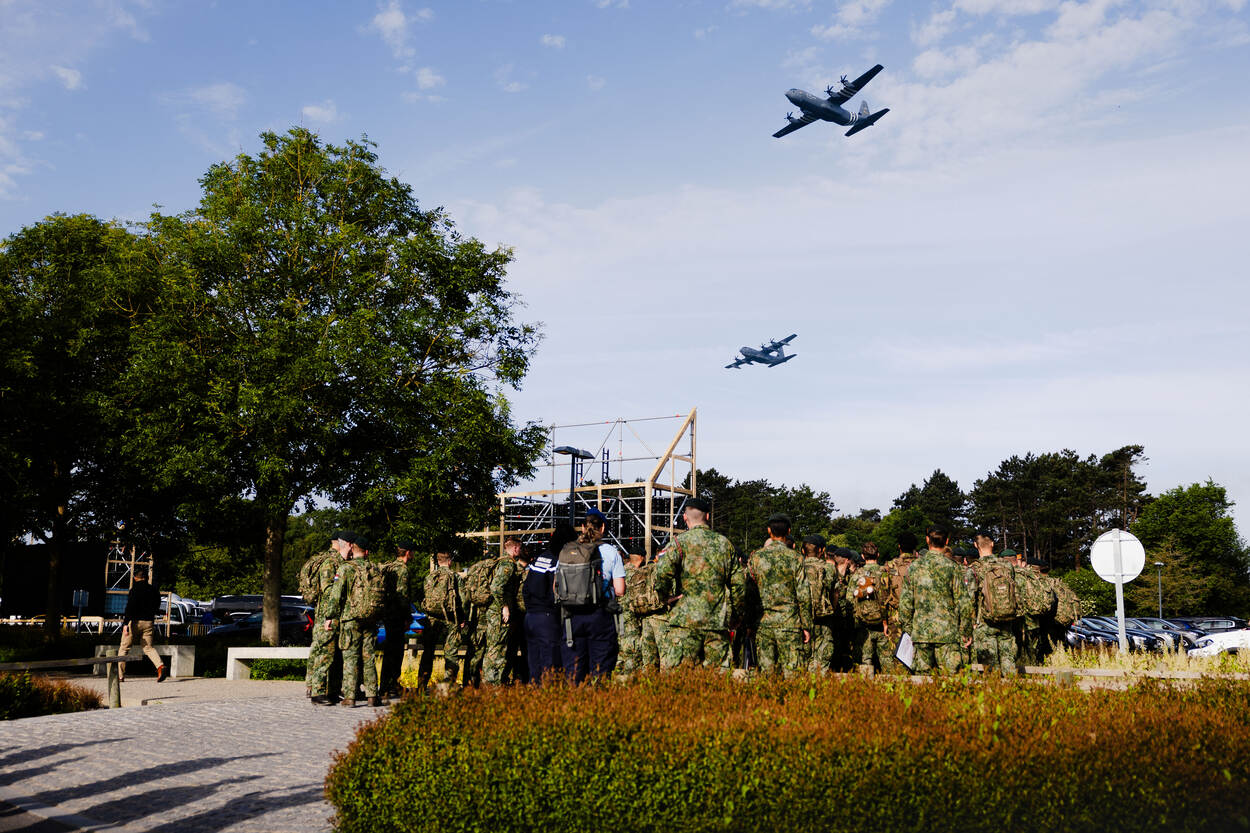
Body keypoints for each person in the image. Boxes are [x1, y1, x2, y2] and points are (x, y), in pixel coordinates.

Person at [653, 497, 746, 670]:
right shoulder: (724, 544)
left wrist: (665, 598)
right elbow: (739, 585)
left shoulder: (678, 543)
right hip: (716, 622)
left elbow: (662, 575)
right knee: (718, 680)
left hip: (684, 622)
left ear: (685, 518)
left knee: (681, 679)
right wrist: (736, 616)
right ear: (708, 517)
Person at [558, 509, 625, 683]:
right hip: (600, 616)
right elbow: (620, 590)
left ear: (582, 527)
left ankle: (574, 706)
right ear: (602, 528)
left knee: (574, 672)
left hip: (572, 617)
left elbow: (556, 587)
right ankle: (598, 705)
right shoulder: (611, 552)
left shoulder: (568, 550)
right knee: (600, 670)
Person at [898, 526, 973, 674]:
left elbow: (905, 604)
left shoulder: (914, 568)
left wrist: (909, 630)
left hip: (921, 633)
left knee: (922, 682)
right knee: (950, 682)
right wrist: (965, 631)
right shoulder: (953, 567)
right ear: (946, 541)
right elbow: (964, 602)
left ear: (927, 540)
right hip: (948, 634)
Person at [747, 514, 810, 676]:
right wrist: (806, 625)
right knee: (792, 675)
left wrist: (749, 623)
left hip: (763, 624)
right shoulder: (796, 558)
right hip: (790, 624)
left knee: (766, 676)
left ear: (769, 531)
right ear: (788, 531)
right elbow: (803, 595)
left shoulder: (756, 557)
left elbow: (749, 593)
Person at [307, 530, 354, 704]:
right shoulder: (329, 563)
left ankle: (333, 690)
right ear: (348, 544)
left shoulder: (345, 563)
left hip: (341, 616)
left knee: (337, 657)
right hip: (328, 616)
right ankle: (317, 692)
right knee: (325, 654)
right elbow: (327, 591)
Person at [523, 522, 573, 683]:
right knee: (550, 664)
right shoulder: (557, 561)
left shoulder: (539, 558)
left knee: (534, 662)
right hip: (547, 618)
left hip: (530, 617)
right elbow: (556, 592)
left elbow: (526, 588)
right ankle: (548, 700)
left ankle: (534, 697)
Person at [968, 531, 1021, 674]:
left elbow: (969, 599)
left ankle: (993, 692)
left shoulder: (974, 569)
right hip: (1006, 619)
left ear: (975, 545)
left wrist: (970, 624)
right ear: (992, 544)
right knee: (1009, 662)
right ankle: (1012, 692)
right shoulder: (1007, 566)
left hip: (984, 622)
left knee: (990, 669)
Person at [338, 535, 381, 707]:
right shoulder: (375, 569)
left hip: (350, 618)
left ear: (352, 549)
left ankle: (350, 697)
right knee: (368, 657)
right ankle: (372, 696)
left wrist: (329, 616)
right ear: (367, 552)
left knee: (350, 657)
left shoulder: (345, 568)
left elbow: (336, 595)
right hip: (370, 618)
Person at [418, 547, 467, 690]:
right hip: (450, 619)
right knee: (451, 653)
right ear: (450, 561)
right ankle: (448, 685)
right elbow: (463, 600)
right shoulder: (455, 576)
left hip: (432, 618)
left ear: (438, 561)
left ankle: (421, 685)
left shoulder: (430, 577)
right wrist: (463, 618)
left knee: (428, 652)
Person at [848, 541, 897, 675]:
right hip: (883, 624)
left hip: (863, 625)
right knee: (887, 662)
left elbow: (849, 599)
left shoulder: (857, 574)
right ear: (878, 555)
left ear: (863, 556)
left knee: (865, 661)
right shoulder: (886, 573)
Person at [379, 539, 417, 698]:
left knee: (389, 650)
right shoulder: (403, 570)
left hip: (387, 614)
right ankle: (391, 685)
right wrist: (407, 617)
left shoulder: (388, 567)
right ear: (408, 552)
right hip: (396, 616)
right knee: (395, 652)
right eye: (413, 552)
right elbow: (402, 596)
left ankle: (387, 684)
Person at [482, 536, 522, 685]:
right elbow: (496, 587)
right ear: (516, 548)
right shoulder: (508, 565)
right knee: (498, 647)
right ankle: (494, 684)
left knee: (492, 647)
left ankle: (488, 682)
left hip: (493, 611)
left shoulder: (499, 562)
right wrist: (504, 606)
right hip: (498, 613)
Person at [118, 567, 166, 682]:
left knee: (124, 648)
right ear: (147, 577)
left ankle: (120, 675)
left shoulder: (134, 590)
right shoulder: (154, 590)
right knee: (148, 647)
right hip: (149, 622)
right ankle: (160, 666)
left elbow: (130, 607)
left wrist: (125, 624)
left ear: (135, 578)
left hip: (134, 622)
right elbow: (157, 605)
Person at [800, 534, 838, 674]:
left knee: (803, 657)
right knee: (822, 657)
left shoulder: (798, 567)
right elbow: (835, 594)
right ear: (822, 550)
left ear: (803, 551)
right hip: (824, 618)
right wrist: (832, 609)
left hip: (801, 619)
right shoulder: (830, 568)